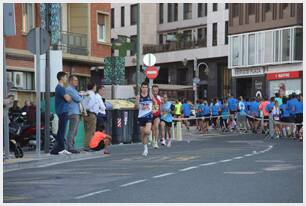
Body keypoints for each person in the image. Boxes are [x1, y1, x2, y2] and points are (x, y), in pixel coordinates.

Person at [50, 72, 72, 155]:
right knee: (62, 130)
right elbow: (68, 99)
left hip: (62, 111)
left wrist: (68, 96)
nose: (66, 79)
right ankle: (61, 148)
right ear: (62, 78)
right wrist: (69, 96)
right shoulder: (60, 88)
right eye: (65, 77)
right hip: (63, 111)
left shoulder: (60, 88)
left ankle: (58, 149)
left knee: (61, 130)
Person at [135, 82, 154, 156]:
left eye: (146, 87)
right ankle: (145, 149)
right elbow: (136, 107)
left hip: (148, 116)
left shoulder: (150, 95)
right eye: (143, 87)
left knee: (147, 131)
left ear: (147, 88)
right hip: (141, 117)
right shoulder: (138, 96)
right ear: (141, 88)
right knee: (143, 135)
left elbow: (156, 103)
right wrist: (137, 102)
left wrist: (154, 109)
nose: (144, 89)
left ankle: (150, 133)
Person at [66, 75, 83, 154]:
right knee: (72, 131)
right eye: (75, 80)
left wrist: (80, 95)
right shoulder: (69, 89)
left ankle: (72, 145)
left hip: (76, 112)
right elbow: (78, 99)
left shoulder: (74, 90)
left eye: (77, 80)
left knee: (74, 131)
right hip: (73, 112)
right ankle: (70, 147)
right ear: (70, 81)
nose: (77, 82)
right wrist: (82, 95)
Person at [83, 82, 98, 151]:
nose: (96, 87)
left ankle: (86, 145)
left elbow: (83, 103)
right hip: (91, 113)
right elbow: (91, 104)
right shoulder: (92, 94)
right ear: (93, 87)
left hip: (85, 113)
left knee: (87, 130)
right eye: (95, 86)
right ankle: (89, 146)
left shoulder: (86, 93)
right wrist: (87, 109)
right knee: (91, 130)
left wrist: (84, 110)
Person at [151, 85, 162, 149]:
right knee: (152, 129)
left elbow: (160, 106)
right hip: (151, 115)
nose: (155, 92)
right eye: (154, 91)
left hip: (157, 115)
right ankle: (153, 140)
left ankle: (156, 142)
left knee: (156, 127)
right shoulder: (150, 97)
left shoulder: (159, 98)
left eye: (156, 91)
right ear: (152, 91)